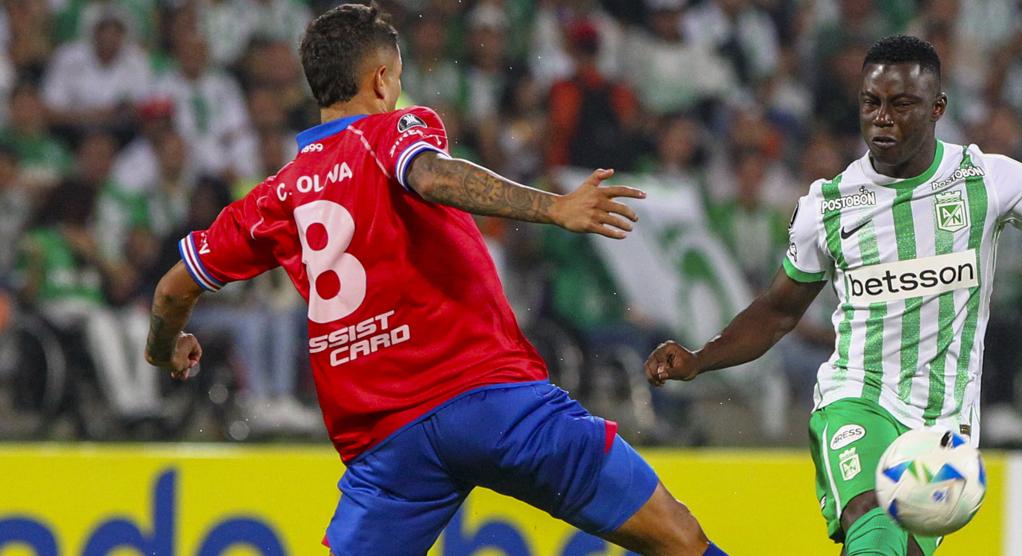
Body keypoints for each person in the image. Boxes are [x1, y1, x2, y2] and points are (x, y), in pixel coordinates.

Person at [143, 5, 722, 556]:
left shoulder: (273, 196)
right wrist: (555, 208)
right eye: (395, 76)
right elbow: (429, 175)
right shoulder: (396, 130)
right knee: (677, 539)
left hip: (389, 448)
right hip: (493, 404)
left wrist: (164, 349)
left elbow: (173, 288)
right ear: (379, 79)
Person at [644, 35, 1022, 555]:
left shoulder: (989, 179)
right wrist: (700, 359)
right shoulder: (828, 205)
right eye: (871, 102)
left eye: (901, 104)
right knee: (872, 519)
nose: (882, 118)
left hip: (943, 424)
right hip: (857, 397)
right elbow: (777, 311)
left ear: (937, 108)